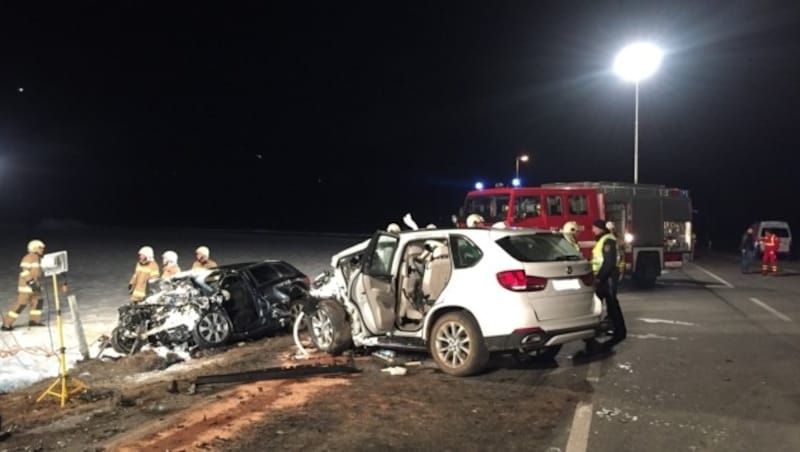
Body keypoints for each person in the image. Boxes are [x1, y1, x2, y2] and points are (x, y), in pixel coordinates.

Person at [586, 219, 626, 353]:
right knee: (608, 303)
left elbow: (609, 262)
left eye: (594, 228)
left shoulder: (607, 241)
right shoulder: (604, 240)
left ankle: (618, 329)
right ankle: (616, 329)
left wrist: (599, 278)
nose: (593, 230)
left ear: (600, 229)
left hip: (606, 277)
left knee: (610, 303)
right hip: (605, 276)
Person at [2, 240, 47, 331]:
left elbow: (37, 272)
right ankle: (7, 324)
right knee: (20, 304)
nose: (42, 249)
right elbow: (24, 272)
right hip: (26, 287)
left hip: (35, 286)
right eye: (40, 247)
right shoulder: (28, 257)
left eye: (43, 248)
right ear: (34, 248)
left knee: (38, 302)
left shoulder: (38, 258)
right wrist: (31, 282)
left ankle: (34, 321)